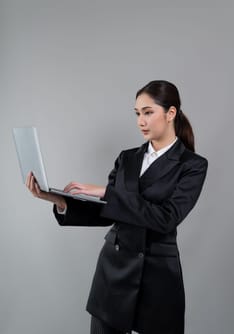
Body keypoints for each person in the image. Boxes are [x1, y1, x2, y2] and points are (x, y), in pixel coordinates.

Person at [26, 80, 208, 334]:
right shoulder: (127, 157)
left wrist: (108, 192)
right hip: (113, 272)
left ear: (171, 113)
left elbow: (167, 218)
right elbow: (107, 212)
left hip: (158, 277)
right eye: (137, 114)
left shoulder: (192, 165)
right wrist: (58, 201)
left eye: (148, 112)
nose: (140, 121)